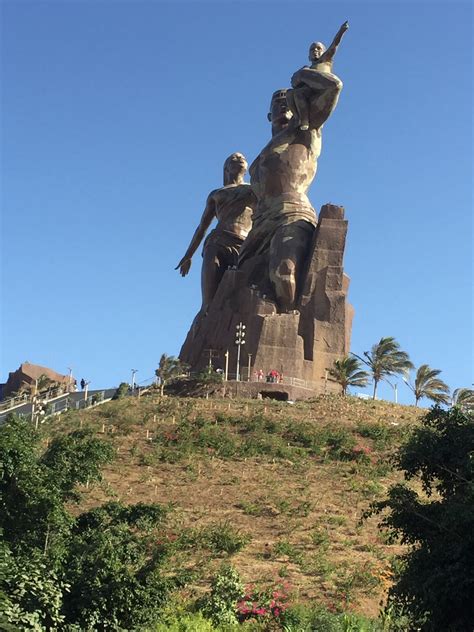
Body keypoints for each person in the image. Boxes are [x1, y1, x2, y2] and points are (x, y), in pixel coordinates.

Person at [238, 43, 347, 312]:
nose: (285, 106)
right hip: (259, 224)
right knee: (234, 286)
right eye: (278, 102)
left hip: (292, 213)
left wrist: (302, 75)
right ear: (269, 115)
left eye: (290, 101)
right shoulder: (259, 158)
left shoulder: (307, 129)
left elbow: (334, 87)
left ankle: (287, 321)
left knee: (285, 273)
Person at [176, 153, 256, 314]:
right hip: (218, 241)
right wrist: (188, 255)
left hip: (246, 245)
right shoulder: (217, 194)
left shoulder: (253, 189)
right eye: (234, 158)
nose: (240, 159)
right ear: (226, 168)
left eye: (243, 158)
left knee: (248, 292)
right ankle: (206, 315)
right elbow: (201, 228)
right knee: (209, 301)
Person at [286, 21, 349, 130]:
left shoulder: (325, 60)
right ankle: (302, 119)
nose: (315, 51)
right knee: (294, 93)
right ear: (309, 55)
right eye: (312, 49)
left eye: (318, 49)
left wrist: (341, 31)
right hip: (310, 91)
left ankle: (303, 119)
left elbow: (335, 45)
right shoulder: (308, 68)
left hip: (323, 87)